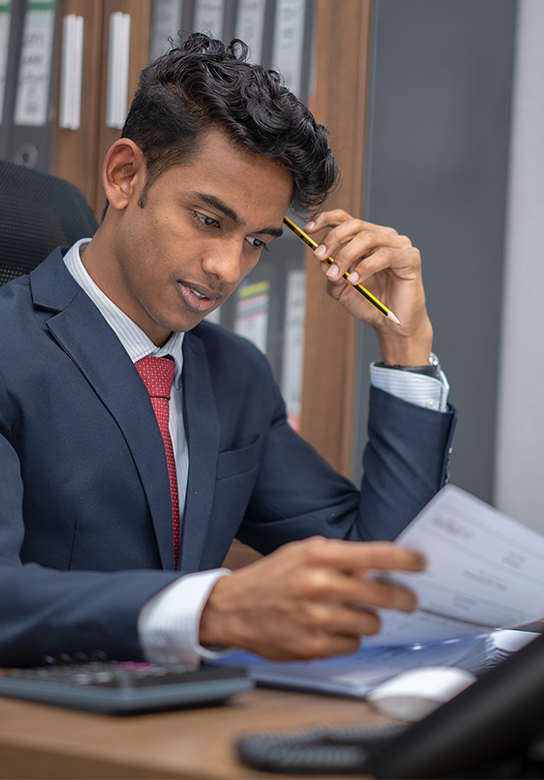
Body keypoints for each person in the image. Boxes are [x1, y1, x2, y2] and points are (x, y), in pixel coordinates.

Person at [0, 34, 455, 667]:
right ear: (126, 176)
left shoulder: (235, 374)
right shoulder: (9, 351)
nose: (225, 268)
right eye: (209, 220)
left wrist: (406, 346)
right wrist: (214, 608)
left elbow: (377, 579)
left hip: (188, 725)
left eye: (258, 242)